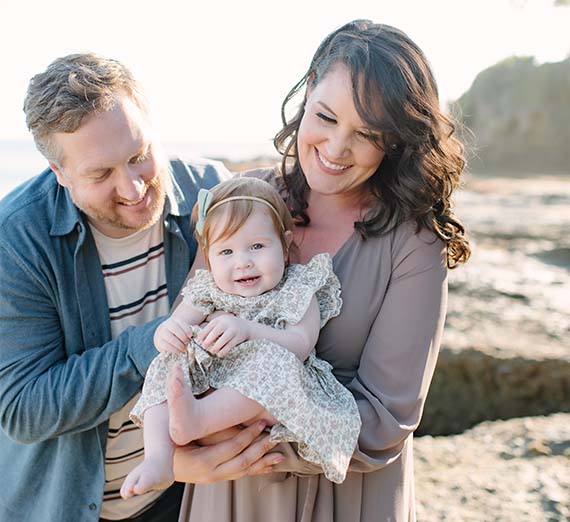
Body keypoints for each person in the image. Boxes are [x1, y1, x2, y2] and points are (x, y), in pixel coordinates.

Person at [176, 19, 471, 522]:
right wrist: (181, 456)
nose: (336, 149)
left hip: (345, 496)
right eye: (327, 117)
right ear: (308, 89)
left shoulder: (414, 243)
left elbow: (386, 418)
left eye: (367, 134)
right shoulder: (243, 198)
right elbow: (187, 339)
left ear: (395, 141)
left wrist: (235, 440)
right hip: (227, 494)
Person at [0, 53, 282, 522]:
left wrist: (183, 457)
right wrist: (147, 344)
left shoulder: (210, 195)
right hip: (68, 507)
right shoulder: (16, 240)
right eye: (100, 174)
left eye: (139, 157)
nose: (133, 189)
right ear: (60, 174)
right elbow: (25, 409)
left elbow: (262, 316)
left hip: (186, 498)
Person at [121, 177, 361, 499]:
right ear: (208, 256)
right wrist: (167, 333)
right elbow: (175, 323)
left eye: (258, 246)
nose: (242, 261)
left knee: (274, 359)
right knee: (169, 362)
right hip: (210, 382)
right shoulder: (207, 290)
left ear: (285, 244)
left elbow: (300, 344)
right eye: (226, 251)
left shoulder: (299, 288)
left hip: (267, 395)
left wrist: (247, 330)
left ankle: (199, 419)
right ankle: (159, 457)